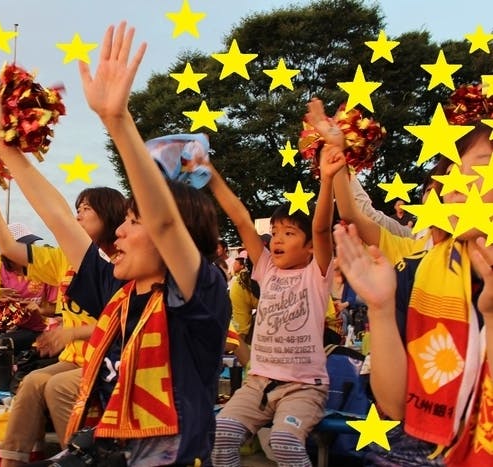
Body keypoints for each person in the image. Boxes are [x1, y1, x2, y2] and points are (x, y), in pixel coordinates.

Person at [0, 22, 229, 465]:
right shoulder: (117, 292)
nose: (119, 231)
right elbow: (59, 219)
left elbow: (164, 222)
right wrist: (7, 152)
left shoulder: (199, 295)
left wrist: (116, 121)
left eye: (133, 222)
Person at [328, 105, 493, 464]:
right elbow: (395, 405)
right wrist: (381, 309)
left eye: (481, 167)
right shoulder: (415, 270)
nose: (457, 185)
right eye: (451, 171)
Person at [210, 100, 337, 466]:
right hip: (258, 383)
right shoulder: (266, 268)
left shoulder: (317, 272)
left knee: (283, 441)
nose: (277, 239)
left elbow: (321, 228)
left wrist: (327, 180)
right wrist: (209, 172)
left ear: (309, 247)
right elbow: (241, 219)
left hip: (303, 388)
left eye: (289, 233)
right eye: (276, 232)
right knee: (221, 435)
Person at [0, 182, 125, 462]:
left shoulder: (121, 263)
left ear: (109, 214)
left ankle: (78, 459)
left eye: (86, 209)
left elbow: (126, 320)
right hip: (74, 359)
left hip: (107, 360)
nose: (78, 215)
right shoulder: (63, 259)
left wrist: (72, 333)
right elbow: (9, 247)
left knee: (56, 387)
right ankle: (11, 460)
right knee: (31, 382)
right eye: (77, 209)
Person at [0, 222, 57, 356]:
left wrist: (39, 309)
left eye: (30, 245)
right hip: (10, 321)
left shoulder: (45, 270)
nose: (29, 250)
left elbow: (57, 310)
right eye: (23, 247)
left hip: (36, 329)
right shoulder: (1, 269)